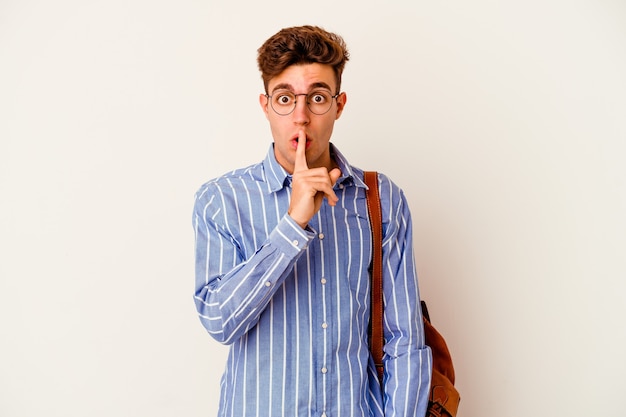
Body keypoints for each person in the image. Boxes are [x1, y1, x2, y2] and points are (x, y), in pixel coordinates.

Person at [193, 25, 432, 417]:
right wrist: (293, 223)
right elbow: (220, 322)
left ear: (339, 105)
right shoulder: (222, 200)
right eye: (285, 98)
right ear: (266, 105)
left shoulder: (380, 199)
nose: (301, 117)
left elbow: (404, 340)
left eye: (317, 97)